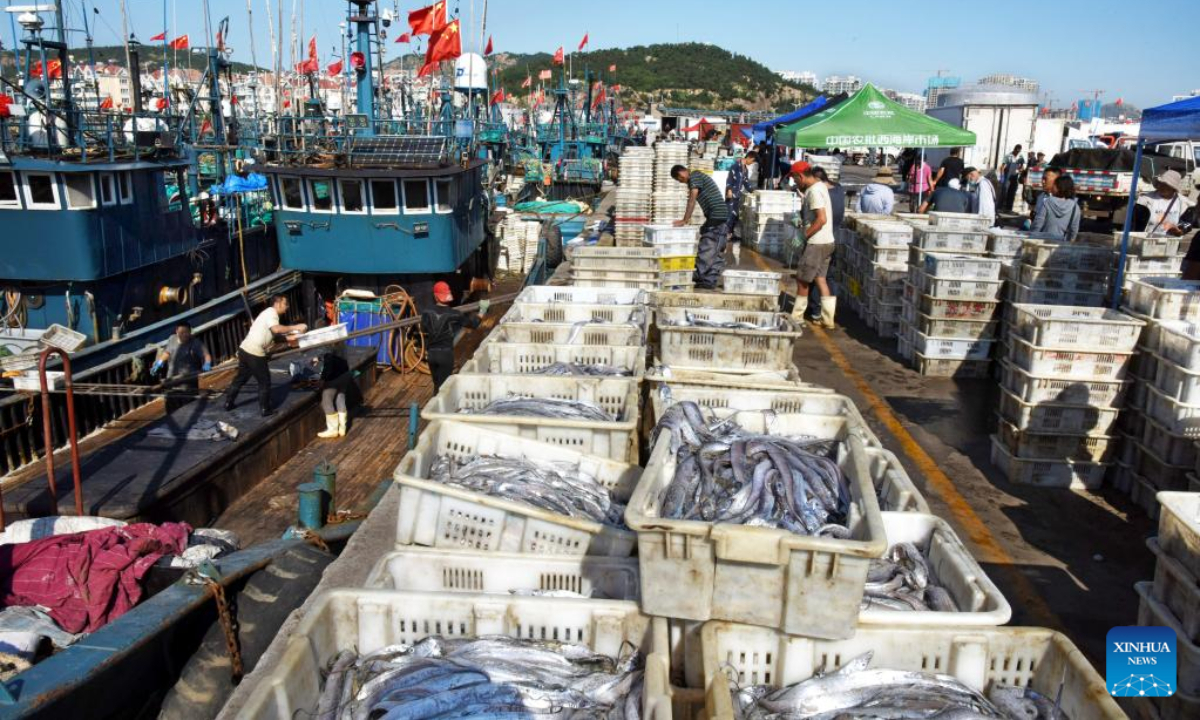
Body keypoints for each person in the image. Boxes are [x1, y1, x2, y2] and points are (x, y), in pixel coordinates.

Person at [223, 295, 307, 417]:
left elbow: (275, 336)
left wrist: (291, 338)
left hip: (244, 349)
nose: (287, 307)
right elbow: (277, 330)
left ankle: (228, 403)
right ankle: (265, 409)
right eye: (286, 304)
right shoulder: (271, 313)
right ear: (278, 304)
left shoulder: (267, 315)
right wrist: (296, 327)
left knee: (241, 378)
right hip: (255, 352)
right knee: (264, 381)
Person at [420, 281, 489, 394]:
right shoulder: (455, 314)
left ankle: (433, 405)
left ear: (435, 296)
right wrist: (482, 310)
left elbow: (424, 329)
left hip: (431, 354)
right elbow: (474, 324)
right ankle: (438, 408)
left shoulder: (426, 312)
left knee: (436, 384)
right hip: (446, 355)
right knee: (443, 389)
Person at [792, 165, 837, 329]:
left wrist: (804, 235)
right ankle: (827, 319)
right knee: (820, 279)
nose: (795, 182)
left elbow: (821, 219)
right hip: (828, 242)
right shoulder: (820, 186)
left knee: (802, 279)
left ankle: (797, 317)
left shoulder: (814, 191)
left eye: (795, 179)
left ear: (800, 176)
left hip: (816, 243)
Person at [672, 164, 730, 289]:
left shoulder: (695, 176)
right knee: (716, 250)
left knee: (708, 245)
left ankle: (698, 274)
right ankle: (709, 281)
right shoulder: (695, 178)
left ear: (682, 172)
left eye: (679, 179)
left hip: (717, 216)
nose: (681, 181)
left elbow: (692, 199)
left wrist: (684, 220)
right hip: (716, 216)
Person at [153, 321, 212, 413]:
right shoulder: (172, 339)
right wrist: (159, 362)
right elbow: (167, 352)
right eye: (182, 333)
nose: (185, 335)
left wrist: (207, 363)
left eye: (187, 332)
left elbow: (206, 355)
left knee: (188, 408)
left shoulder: (195, 343)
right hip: (171, 380)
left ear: (190, 332)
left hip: (188, 382)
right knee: (171, 406)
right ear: (176, 332)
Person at [1136, 169, 1196, 236]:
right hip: (1148, 240)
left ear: (1173, 188)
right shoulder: (1146, 199)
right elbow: (1135, 223)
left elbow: (1187, 224)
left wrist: (1180, 231)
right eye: (1161, 184)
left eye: (1166, 185)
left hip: (1171, 242)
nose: (1162, 187)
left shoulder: (1184, 203)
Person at [315, 345, 353, 439]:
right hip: (345, 374)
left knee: (326, 401)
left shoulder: (329, 346)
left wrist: (322, 380)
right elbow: (335, 356)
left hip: (334, 378)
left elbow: (329, 365)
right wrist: (319, 358)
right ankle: (342, 428)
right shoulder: (341, 344)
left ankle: (332, 430)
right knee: (340, 398)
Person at [1032, 174, 1081, 241]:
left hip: (1043, 241)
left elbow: (1038, 223)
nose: (1052, 187)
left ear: (1060, 187)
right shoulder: (1075, 207)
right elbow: (1074, 230)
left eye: (1055, 185)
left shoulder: (1048, 202)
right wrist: (1068, 243)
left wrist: (1033, 238)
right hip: (1061, 245)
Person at [725, 151, 758, 249]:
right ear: (749, 157)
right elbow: (729, 179)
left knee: (735, 216)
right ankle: (725, 235)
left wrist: (752, 191)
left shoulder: (745, 169)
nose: (751, 163)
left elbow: (746, 182)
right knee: (729, 215)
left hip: (738, 195)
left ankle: (731, 234)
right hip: (731, 195)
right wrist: (729, 190)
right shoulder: (735, 166)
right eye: (752, 161)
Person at [1001, 145, 1025, 212]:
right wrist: (1002, 176)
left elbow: (1022, 167)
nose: (1017, 152)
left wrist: (1019, 170)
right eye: (1016, 150)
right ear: (1014, 149)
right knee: (1005, 192)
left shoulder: (1021, 157)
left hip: (1015, 178)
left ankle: (1009, 208)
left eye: (1019, 151)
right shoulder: (1008, 156)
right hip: (1007, 177)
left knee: (1012, 193)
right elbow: (1002, 166)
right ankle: (1002, 208)